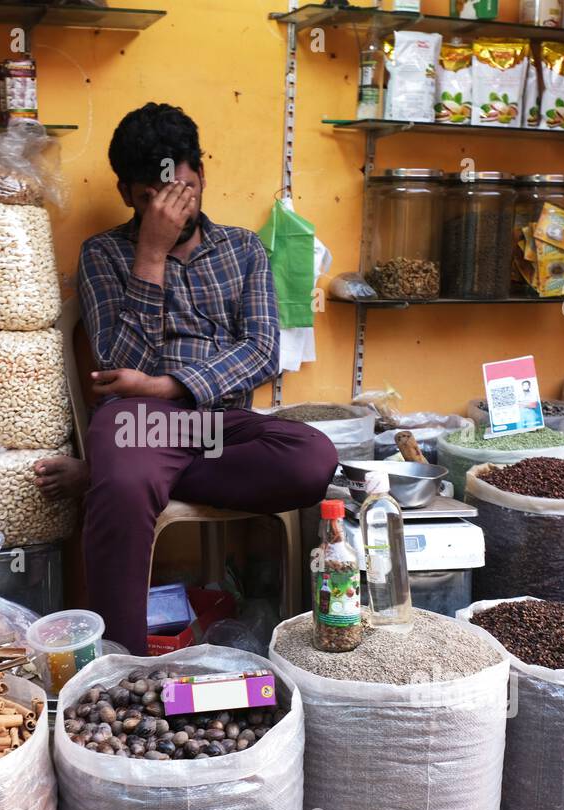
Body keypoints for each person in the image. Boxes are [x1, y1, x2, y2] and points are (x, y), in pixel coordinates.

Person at [36, 102, 338, 653]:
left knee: (313, 458)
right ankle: (120, 667)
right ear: (127, 192)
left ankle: (105, 475)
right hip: (140, 426)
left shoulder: (244, 248)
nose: (173, 208)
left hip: (219, 430)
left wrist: (167, 385)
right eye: (153, 198)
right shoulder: (104, 253)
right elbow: (114, 365)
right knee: (126, 458)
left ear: (202, 175)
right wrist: (149, 254)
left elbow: (263, 352)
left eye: (184, 190)